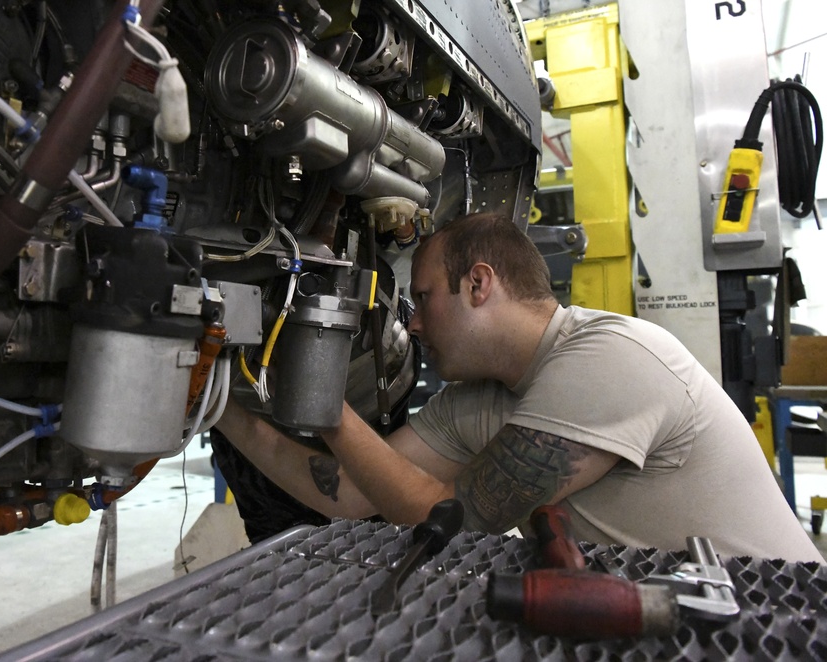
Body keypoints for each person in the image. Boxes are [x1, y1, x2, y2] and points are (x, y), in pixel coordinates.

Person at [215, 212, 822, 564]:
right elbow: (346, 490)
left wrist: (327, 408)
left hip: (773, 623)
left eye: (423, 297)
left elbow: (449, 517)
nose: (414, 322)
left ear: (479, 284)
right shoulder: (481, 401)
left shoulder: (610, 358)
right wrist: (217, 406)